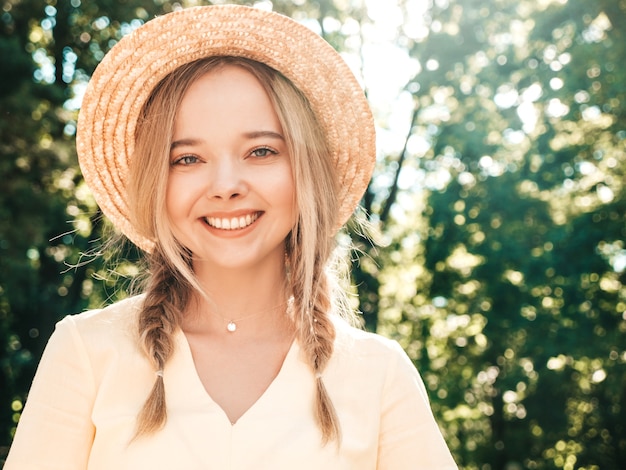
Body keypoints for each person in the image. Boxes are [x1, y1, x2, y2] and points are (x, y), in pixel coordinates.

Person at [5, 4, 457, 469]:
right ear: (156, 184)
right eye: (187, 159)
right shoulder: (87, 351)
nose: (225, 185)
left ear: (305, 173)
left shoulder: (379, 375)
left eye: (261, 151)